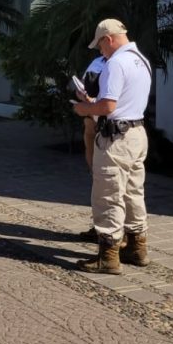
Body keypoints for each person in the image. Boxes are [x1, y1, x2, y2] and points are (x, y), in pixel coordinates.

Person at [73, 19, 152, 275]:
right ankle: (137, 247)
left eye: (100, 46)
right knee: (132, 191)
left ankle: (108, 256)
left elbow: (108, 107)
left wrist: (84, 108)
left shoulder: (116, 63)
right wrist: (96, 101)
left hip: (116, 138)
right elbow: (122, 100)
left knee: (108, 193)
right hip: (137, 133)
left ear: (109, 39)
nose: (100, 52)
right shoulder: (141, 60)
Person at [77, 55, 106, 244]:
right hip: (91, 122)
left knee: (109, 182)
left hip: (108, 126)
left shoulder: (121, 63)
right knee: (97, 179)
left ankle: (112, 233)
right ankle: (99, 225)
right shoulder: (97, 62)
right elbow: (86, 85)